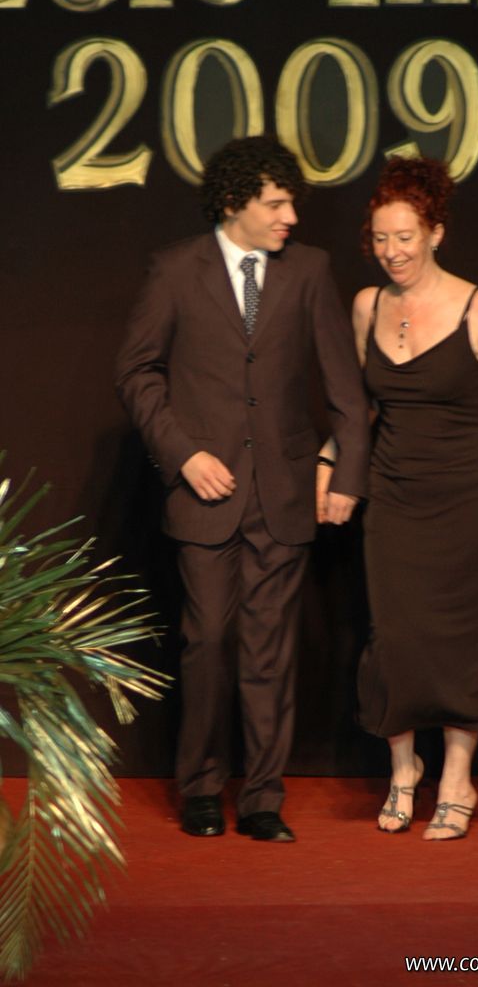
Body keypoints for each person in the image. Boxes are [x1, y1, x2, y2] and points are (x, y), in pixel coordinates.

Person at [116, 136, 369, 842]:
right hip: (205, 493)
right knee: (207, 642)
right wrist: (184, 454)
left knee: (269, 652)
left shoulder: (309, 271)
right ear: (234, 203)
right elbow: (137, 372)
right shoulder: (176, 270)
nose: (291, 217)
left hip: (284, 495)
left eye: (292, 203)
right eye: (277, 203)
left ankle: (261, 798)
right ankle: (200, 788)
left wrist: (348, 474)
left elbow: (345, 387)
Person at [320, 155, 478, 841]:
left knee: (467, 640)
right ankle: (403, 770)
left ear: (435, 233)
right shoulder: (365, 306)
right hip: (394, 492)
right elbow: (357, 409)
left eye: (405, 236)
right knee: (394, 636)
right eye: (380, 238)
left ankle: (457, 777)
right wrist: (329, 461)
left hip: (472, 494)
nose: (392, 251)